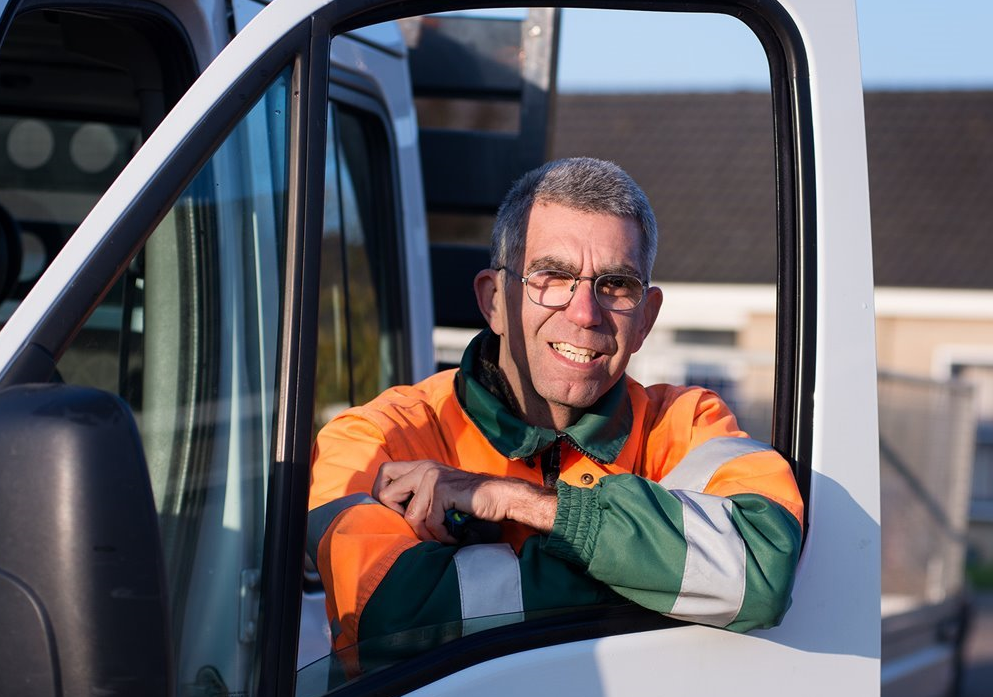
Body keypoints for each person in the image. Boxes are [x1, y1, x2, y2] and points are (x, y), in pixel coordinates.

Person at [307, 157, 803, 666]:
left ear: (647, 318)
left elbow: (760, 571)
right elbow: (388, 625)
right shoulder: (373, 439)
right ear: (495, 301)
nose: (585, 314)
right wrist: (665, 574)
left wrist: (527, 503)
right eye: (553, 276)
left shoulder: (687, 422)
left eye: (616, 285)